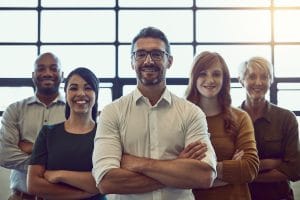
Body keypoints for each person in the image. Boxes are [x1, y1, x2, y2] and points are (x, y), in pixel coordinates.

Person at [92, 26, 217, 200]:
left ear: (169, 61)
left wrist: (136, 163)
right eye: (141, 54)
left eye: (157, 54)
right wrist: (177, 168)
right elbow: (106, 181)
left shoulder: (192, 113)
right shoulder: (112, 112)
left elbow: (204, 176)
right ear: (132, 61)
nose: (148, 61)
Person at [185, 51, 259, 199]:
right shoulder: (181, 118)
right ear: (194, 78)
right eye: (202, 74)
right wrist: (229, 169)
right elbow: (174, 172)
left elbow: (250, 168)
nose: (210, 80)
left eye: (216, 74)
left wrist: (203, 170)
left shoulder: (240, 117)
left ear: (224, 79)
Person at [27, 67, 106, 199]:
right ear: (66, 93)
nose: (81, 93)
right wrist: (83, 193)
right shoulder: (48, 133)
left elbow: (106, 181)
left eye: (88, 88)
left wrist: (59, 175)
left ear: (96, 94)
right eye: (74, 88)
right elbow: (33, 184)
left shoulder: (105, 134)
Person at [0, 52, 65, 200]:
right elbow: (4, 155)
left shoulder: (73, 111)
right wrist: (48, 165)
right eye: (41, 69)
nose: (47, 73)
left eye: (53, 68)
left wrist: (31, 148)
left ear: (62, 74)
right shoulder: (14, 110)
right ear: (33, 75)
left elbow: (76, 156)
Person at [238, 56, 300, 200]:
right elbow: (226, 165)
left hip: (279, 197)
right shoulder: (230, 119)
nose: (258, 82)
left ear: (270, 81)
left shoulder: (286, 118)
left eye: (264, 77)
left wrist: (248, 174)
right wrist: (273, 163)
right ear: (241, 80)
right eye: (252, 76)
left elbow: (295, 170)